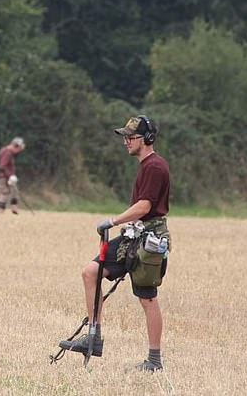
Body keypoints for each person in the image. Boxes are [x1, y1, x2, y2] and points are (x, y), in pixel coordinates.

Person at [59, 114, 170, 372]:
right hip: (135, 235)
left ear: (148, 139)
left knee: (148, 298)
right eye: (125, 137)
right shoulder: (147, 165)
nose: (126, 142)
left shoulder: (154, 166)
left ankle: (154, 361)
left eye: (131, 137)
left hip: (149, 238)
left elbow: (145, 206)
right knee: (91, 272)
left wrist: (112, 221)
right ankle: (93, 336)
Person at [0, 137, 26, 214]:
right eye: (19, 149)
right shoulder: (6, 152)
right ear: (15, 145)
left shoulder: (8, 152)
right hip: (3, 176)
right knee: (4, 192)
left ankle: (14, 209)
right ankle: (0, 211)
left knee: (15, 191)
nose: (18, 152)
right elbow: (2, 166)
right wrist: (10, 176)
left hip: (8, 176)